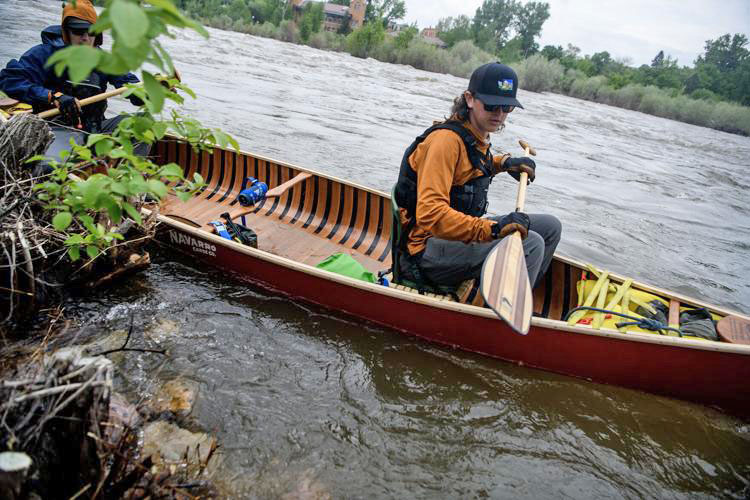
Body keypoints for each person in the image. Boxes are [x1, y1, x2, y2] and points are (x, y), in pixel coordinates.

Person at [393, 62, 561, 293]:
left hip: (453, 240)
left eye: (507, 107)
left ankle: (516, 297)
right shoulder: (445, 142)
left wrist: (503, 164)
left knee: (550, 227)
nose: (500, 114)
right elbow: (431, 215)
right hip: (425, 250)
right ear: (469, 99)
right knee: (530, 242)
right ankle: (497, 315)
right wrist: (492, 229)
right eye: (492, 105)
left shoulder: (473, 135)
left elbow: (467, 170)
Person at [0, 0, 146, 174]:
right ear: (66, 33)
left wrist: (150, 93)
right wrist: (53, 96)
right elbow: (10, 80)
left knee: (143, 123)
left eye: (91, 32)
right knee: (49, 167)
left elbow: (133, 89)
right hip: (54, 129)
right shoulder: (44, 54)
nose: (85, 38)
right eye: (78, 31)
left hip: (95, 130)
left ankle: (132, 186)